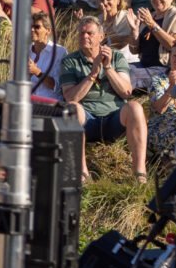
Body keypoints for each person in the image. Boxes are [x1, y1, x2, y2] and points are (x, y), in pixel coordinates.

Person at [54, 13, 150, 180]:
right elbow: (70, 97)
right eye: (81, 33)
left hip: (114, 118)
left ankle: (139, 172)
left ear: (101, 36)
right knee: (72, 109)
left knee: (135, 107)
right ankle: (82, 173)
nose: (84, 36)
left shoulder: (117, 57)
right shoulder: (70, 61)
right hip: (87, 119)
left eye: (89, 33)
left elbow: (126, 92)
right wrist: (93, 74)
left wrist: (108, 68)